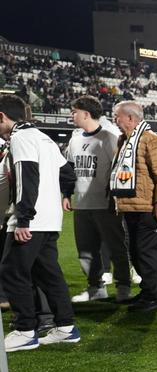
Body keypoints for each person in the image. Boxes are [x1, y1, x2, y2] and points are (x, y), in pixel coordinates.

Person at [0, 94, 80, 351]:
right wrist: (58, 197)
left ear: (2, 116)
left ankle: (24, 329)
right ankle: (66, 327)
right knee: (47, 274)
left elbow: (27, 177)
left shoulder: (21, 138)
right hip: (49, 219)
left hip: (30, 221)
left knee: (12, 271)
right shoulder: (42, 137)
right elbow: (68, 174)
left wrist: (23, 219)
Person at [63, 95, 132, 302]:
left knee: (116, 247)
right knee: (86, 251)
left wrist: (115, 198)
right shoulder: (74, 140)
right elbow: (70, 170)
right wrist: (67, 194)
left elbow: (120, 170)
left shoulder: (109, 137)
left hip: (105, 204)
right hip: (81, 204)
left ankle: (123, 287)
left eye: (74, 112)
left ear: (86, 114)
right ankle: (96, 288)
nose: (72, 115)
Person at [111, 101, 157, 311]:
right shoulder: (125, 141)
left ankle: (153, 297)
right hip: (130, 207)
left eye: (117, 116)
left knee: (148, 254)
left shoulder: (151, 140)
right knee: (136, 253)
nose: (114, 120)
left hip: (148, 209)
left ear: (130, 118)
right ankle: (147, 292)